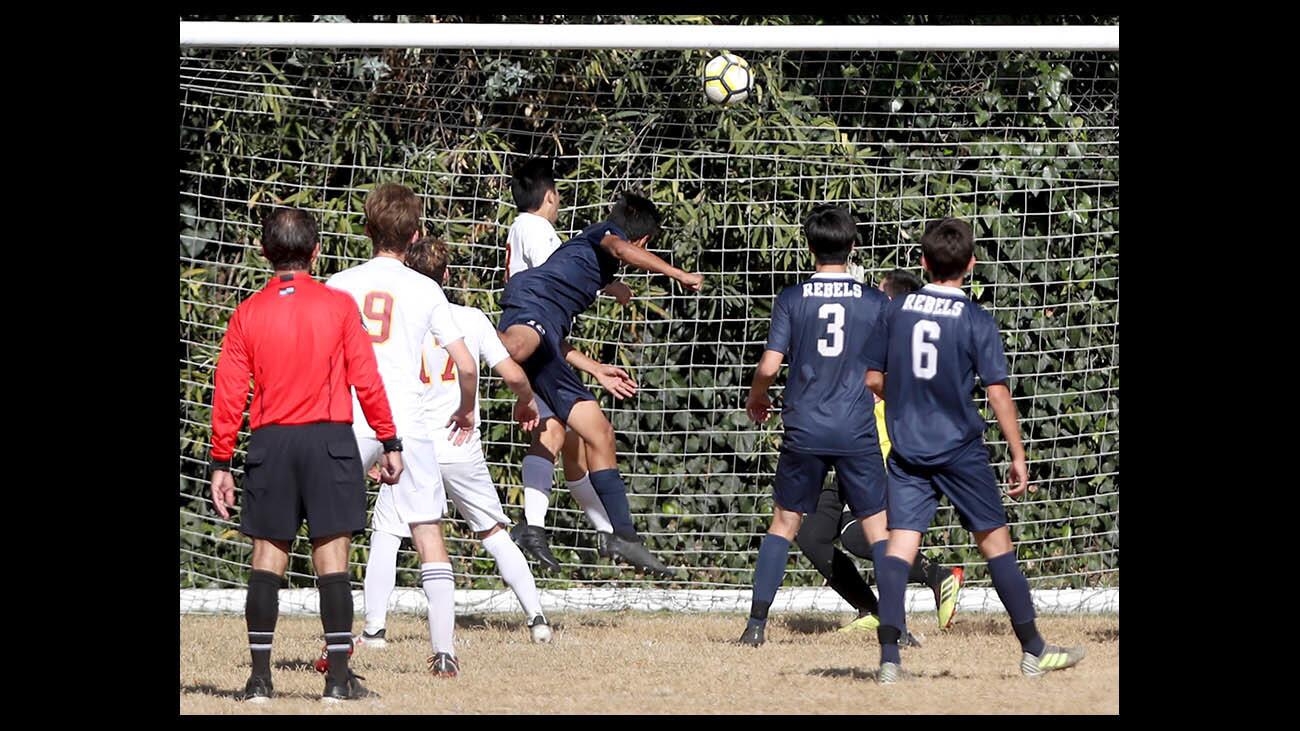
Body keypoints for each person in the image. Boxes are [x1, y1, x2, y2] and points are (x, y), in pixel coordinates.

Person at [327, 183, 538, 679]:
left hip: (351, 418)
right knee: (428, 531)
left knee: (334, 530)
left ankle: (339, 645)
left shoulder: (339, 283)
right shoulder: (427, 289)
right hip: (407, 422)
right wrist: (467, 408)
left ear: (365, 230)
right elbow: (466, 364)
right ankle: (444, 653)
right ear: (415, 234)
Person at [865, 217, 1085, 683]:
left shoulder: (896, 309)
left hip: (907, 450)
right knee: (996, 545)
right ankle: (1033, 649)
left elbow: (872, 378)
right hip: (959, 449)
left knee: (898, 547)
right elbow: (997, 392)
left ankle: (889, 659)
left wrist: (903, 400)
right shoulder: (975, 319)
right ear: (972, 264)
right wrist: (1018, 454)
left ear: (922, 262)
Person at [209, 207, 400, 703]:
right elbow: (366, 377)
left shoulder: (247, 313)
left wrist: (220, 461)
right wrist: (389, 439)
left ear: (263, 252)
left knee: (266, 558)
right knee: (332, 558)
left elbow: (229, 391)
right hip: (328, 439)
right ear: (317, 252)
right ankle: (337, 681)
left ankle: (258, 682)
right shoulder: (338, 307)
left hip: (271, 441)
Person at [358, 237, 553, 649]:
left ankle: (375, 629)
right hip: (460, 443)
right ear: (446, 275)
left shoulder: (402, 315)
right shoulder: (472, 318)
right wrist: (527, 403)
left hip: (411, 442)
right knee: (494, 531)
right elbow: (514, 375)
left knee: (387, 533)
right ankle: (537, 618)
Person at [497, 191, 703, 577]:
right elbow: (621, 249)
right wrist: (678, 274)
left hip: (548, 334)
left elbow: (553, 340)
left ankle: (622, 535)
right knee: (517, 346)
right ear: (642, 241)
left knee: (598, 431)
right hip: (530, 305)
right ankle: (464, 341)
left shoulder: (584, 274)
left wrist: (595, 368)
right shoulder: (606, 234)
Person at [738, 205, 893, 647]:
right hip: (855, 426)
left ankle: (755, 626)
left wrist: (757, 395)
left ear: (809, 248)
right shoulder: (874, 302)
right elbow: (882, 373)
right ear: (853, 247)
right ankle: (893, 627)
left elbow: (769, 365)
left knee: (785, 522)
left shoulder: (792, 298)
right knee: (878, 527)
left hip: (804, 426)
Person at [793, 268, 962, 639]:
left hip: (880, 461)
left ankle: (934, 576)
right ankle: (872, 608)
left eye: (877, 295)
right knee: (812, 536)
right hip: (845, 455)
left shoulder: (902, 350)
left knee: (858, 537)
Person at [505, 157, 634, 571]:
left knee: (577, 446)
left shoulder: (518, 229)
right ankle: (534, 527)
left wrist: (593, 365)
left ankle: (608, 535)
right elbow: (561, 275)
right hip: (534, 340)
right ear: (549, 197)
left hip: (543, 338)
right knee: (556, 432)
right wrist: (611, 283)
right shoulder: (537, 229)